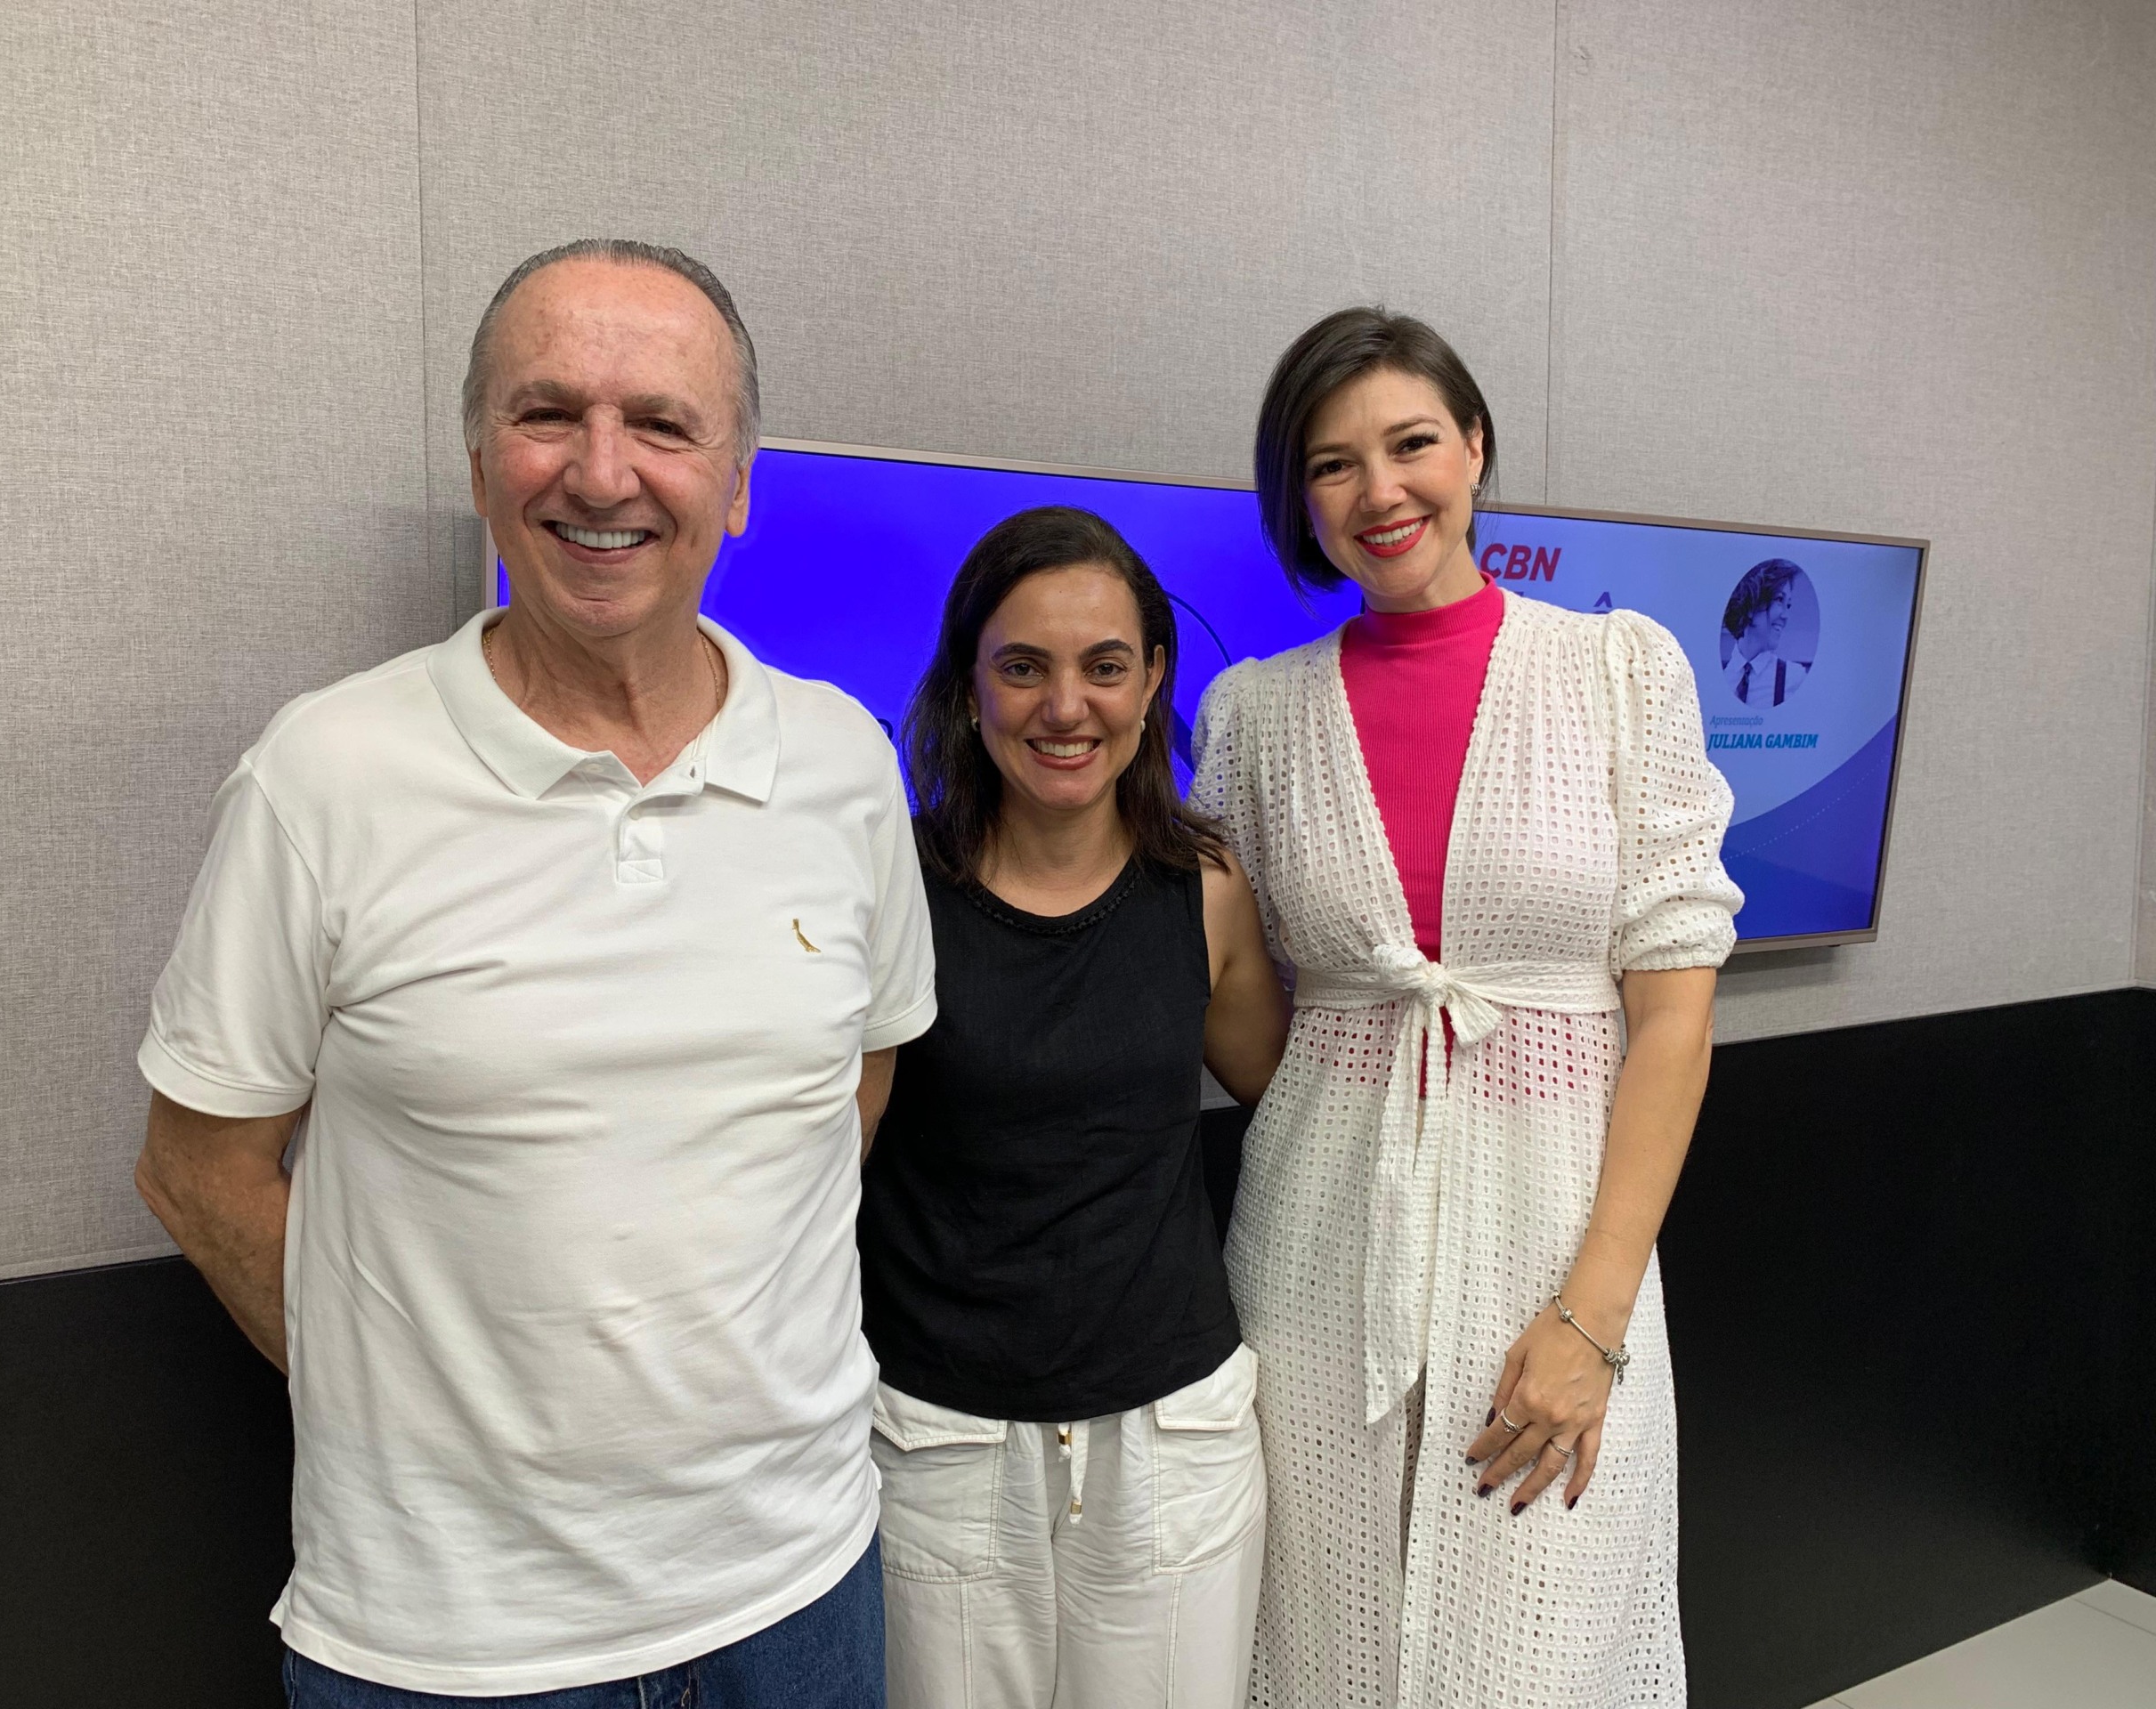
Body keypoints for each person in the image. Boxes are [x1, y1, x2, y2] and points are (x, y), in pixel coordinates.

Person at [132, 239, 935, 1707]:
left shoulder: (840, 760)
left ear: (740, 482)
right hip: (452, 1640)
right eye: (548, 413)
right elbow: (198, 1165)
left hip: (802, 1586)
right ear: (482, 456)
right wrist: (416, 1409)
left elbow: (855, 1073)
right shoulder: (329, 773)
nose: (603, 472)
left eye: (665, 425)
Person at [1188, 309, 1743, 1708]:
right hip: (1317, 1254)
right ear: (1297, 501)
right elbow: (1258, 1027)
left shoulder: (1621, 673)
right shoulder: (1256, 714)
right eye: (1332, 464)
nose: (1380, 492)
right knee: (1317, 1635)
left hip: (1558, 1250)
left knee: (1549, 1640)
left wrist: (1594, 1316)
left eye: (1412, 443)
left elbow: (1672, 1019)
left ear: (1476, 448)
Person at [857, 506, 1290, 1709]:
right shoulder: (892, 891)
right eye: (1023, 666)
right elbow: (819, 1161)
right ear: (967, 682)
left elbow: (1295, 1099)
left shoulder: (1204, 893)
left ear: (1153, 680)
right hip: (939, 1442)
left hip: (1174, 1443)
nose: (1067, 707)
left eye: (1105, 666)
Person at [1721, 557, 1812, 707]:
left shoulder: (1794, 679)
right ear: (1750, 605)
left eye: (1788, 605)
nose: (1785, 616)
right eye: (1779, 599)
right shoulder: (1719, 677)